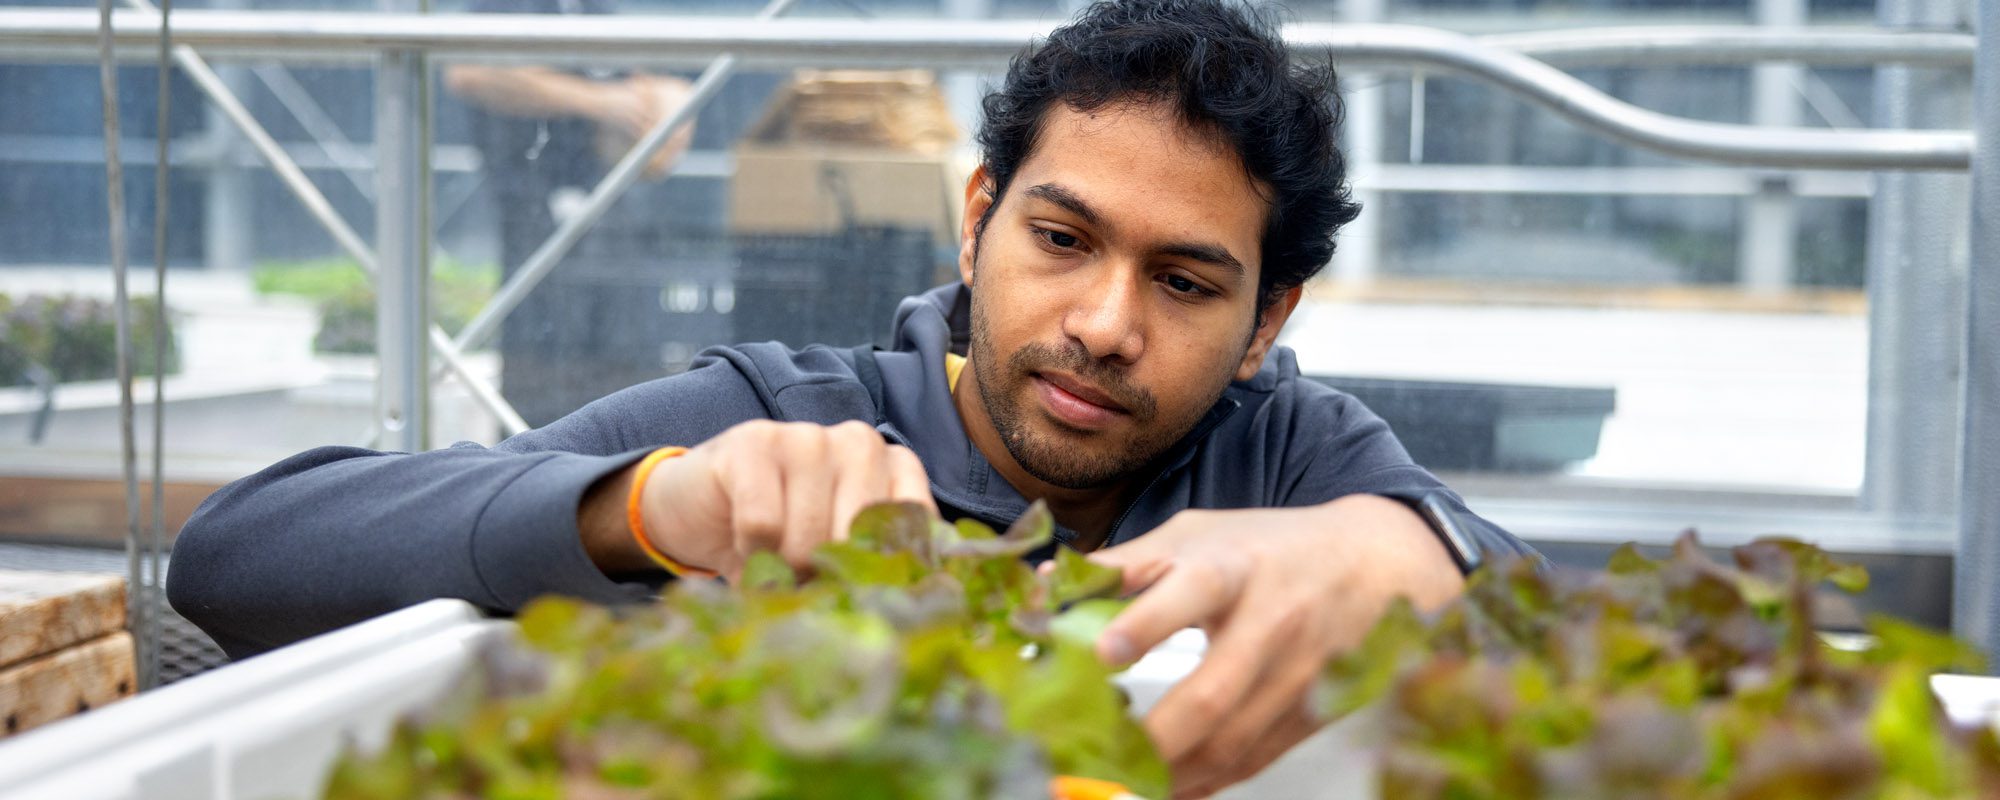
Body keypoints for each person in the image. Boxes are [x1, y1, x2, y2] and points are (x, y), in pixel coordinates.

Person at [169, 0, 1539, 794]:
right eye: (1061, 240)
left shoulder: (1298, 455)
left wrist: (1420, 549)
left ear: (1266, 322)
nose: (1103, 325)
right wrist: (649, 508)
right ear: (977, 223)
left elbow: (1579, 633)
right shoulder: (782, 413)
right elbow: (237, 556)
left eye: (1183, 282)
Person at [443, 0, 697, 426]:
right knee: (543, 381)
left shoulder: (594, 11)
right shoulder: (511, 9)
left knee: (625, 370)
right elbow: (468, 70)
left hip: (615, 228)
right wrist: (600, 103)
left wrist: (666, 101)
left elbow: (640, 103)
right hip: (534, 216)